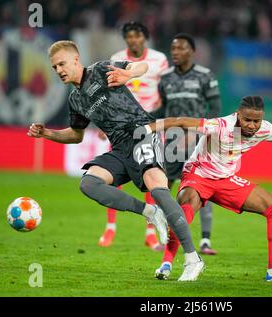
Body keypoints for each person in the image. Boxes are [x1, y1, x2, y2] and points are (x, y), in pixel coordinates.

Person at [27, 40, 204, 281]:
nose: (58, 70)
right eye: (54, 67)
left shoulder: (100, 70)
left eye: (62, 64)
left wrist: (127, 74)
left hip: (142, 133)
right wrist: (48, 133)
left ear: (76, 60)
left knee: (159, 189)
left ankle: (193, 259)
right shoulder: (75, 100)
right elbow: (76, 135)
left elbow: (141, 66)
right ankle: (150, 212)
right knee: (89, 184)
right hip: (120, 147)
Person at [138, 95, 272, 283]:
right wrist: (148, 128)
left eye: (256, 121)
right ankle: (166, 265)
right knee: (184, 212)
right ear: (238, 115)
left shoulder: (265, 129)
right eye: (247, 120)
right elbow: (182, 121)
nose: (252, 125)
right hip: (198, 176)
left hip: (226, 180)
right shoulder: (220, 125)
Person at [98, 21, 169, 251]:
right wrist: (104, 121)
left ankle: (150, 233)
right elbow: (108, 91)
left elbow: (166, 89)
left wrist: (163, 112)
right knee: (113, 175)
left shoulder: (159, 59)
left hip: (149, 123)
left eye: (137, 36)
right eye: (129, 36)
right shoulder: (117, 57)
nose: (133, 40)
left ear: (145, 37)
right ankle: (110, 228)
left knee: (150, 175)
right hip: (120, 124)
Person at [156, 33, 221, 255]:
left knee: (202, 189)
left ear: (191, 51)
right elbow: (161, 109)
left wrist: (203, 135)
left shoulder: (205, 76)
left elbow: (214, 110)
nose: (175, 52)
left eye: (180, 48)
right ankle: (164, 236)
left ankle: (205, 240)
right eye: (173, 48)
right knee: (164, 188)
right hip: (172, 141)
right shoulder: (164, 78)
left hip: (198, 141)